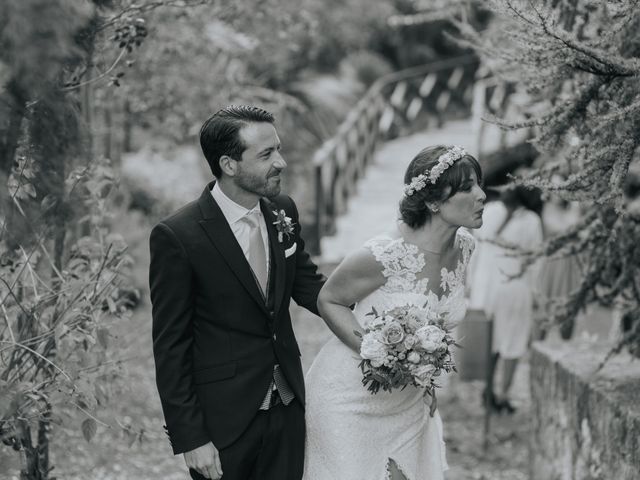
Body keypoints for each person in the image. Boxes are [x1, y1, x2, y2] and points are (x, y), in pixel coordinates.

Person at [149, 105, 325, 480]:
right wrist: (190, 437)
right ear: (229, 165)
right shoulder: (178, 236)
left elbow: (309, 286)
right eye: (266, 155)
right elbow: (171, 346)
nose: (281, 162)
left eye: (278, 149)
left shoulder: (283, 210)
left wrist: (379, 306)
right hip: (223, 424)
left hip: (289, 407)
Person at [303, 145, 486, 480]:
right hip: (348, 402)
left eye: (478, 184)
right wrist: (374, 353)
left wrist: (426, 383)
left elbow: (438, 328)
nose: (482, 195)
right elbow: (329, 300)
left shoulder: (465, 248)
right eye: (467, 188)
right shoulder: (384, 253)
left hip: (408, 405)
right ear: (433, 202)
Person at [481, 185, 543, 413]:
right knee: (513, 343)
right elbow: (535, 259)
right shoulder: (531, 220)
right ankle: (504, 395)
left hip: (488, 288)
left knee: (492, 342)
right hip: (516, 287)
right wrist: (536, 292)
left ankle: (487, 390)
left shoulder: (488, 211)